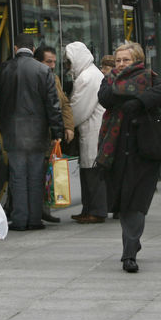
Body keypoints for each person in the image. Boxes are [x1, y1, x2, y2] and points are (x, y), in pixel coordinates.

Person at [96, 41, 161, 273]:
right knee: (124, 201)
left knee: (136, 201)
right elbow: (104, 97)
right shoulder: (109, 81)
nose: (120, 64)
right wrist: (124, 93)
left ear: (137, 60)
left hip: (144, 149)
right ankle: (132, 241)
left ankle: (129, 253)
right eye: (118, 60)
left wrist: (138, 102)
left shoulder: (150, 78)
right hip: (116, 149)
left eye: (125, 60)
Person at [0, 34, 63, 231]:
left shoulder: (4, 69)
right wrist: (57, 130)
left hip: (13, 132)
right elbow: (53, 105)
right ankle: (35, 219)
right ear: (33, 48)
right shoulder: (43, 70)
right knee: (36, 176)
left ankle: (20, 220)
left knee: (17, 176)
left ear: (15, 48)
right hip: (38, 133)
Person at [65, 41, 108, 224]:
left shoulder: (87, 78)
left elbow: (79, 109)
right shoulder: (89, 74)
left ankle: (96, 211)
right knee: (88, 172)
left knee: (92, 172)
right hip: (91, 131)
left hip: (93, 132)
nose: (67, 66)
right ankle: (88, 208)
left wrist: (66, 122)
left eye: (69, 62)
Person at [34, 45, 75, 223]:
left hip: (52, 132)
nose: (51, 65)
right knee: (39, 171)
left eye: (53, 62)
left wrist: (69, 126)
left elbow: (64, 103)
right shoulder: (36, 78)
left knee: (48, 171)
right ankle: (39, 209)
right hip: (40, 132)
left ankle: (45, 208)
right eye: (48, 61)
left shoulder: (55, 79)